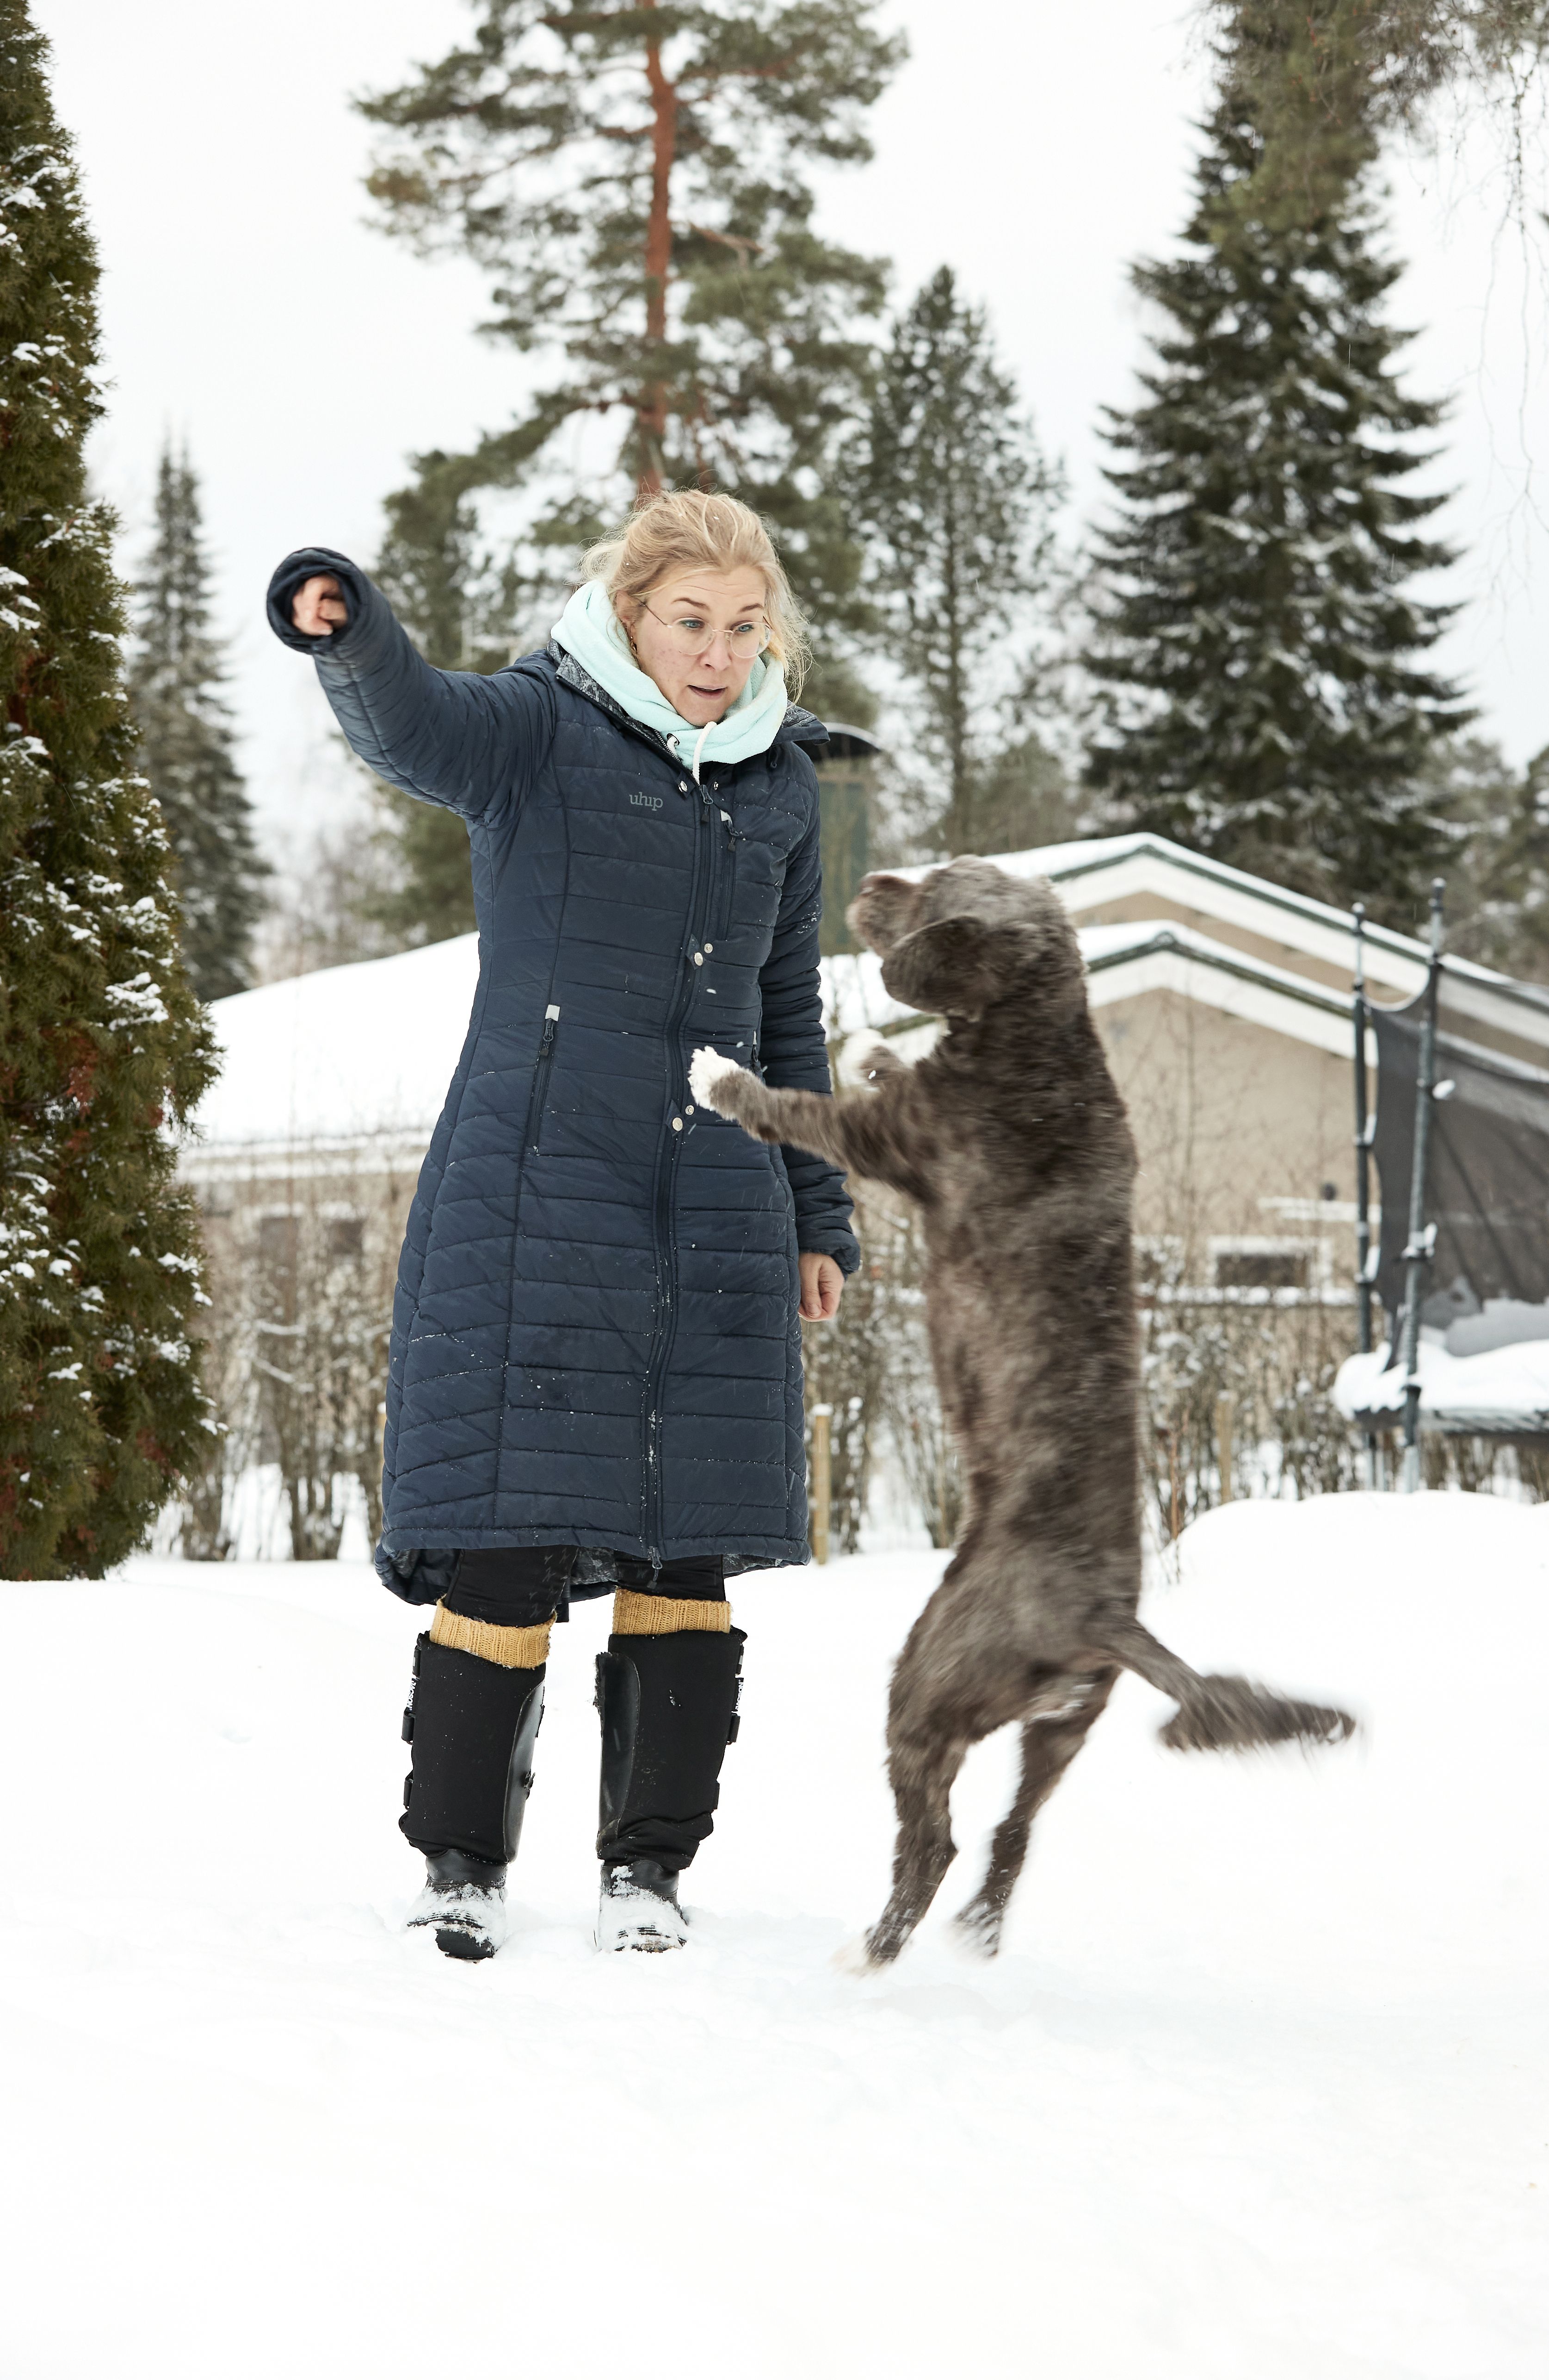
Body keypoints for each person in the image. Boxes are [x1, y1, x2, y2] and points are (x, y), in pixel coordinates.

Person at [266, 490, 858, 1958]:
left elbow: (792, 1016)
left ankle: (646, 1873)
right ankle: (461, 1863)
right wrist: (347, 620)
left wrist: (818, 1213)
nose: (717, 654)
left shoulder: (782, 783)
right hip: (540, 1186)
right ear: (631, 611)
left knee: (686, 1546)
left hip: (719, 1194)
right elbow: (415, 725)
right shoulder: (542, 732)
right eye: (688, 621)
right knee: (508, 1535)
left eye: (742, 627)